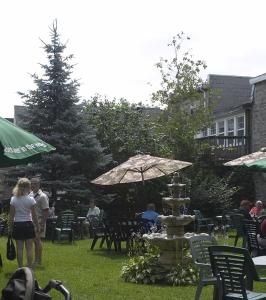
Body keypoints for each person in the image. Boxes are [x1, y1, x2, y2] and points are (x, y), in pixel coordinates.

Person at [9, 178, 40, 268]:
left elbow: (11, 216)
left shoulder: (13, 199)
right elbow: (34, 216)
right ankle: (29, 269)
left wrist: (10, 228)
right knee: (29, 248)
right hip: (28, 225)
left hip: (17, 225)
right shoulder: (30, 199)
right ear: (28, 187)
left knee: (19, 248)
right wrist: (37, 226)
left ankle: (20, 268)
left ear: (18, 187)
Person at [30, 177, 49, 266]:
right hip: (31, 222)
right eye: (31, 183)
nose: (32, 185)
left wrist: (42, 225)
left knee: (37, 241)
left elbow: (46, 211)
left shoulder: (43, 196)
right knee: (34, 241)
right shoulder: (30, 194)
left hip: (39, 222)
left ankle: (39, 261)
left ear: (38, 184)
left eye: (34, 183)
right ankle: (36, 261)